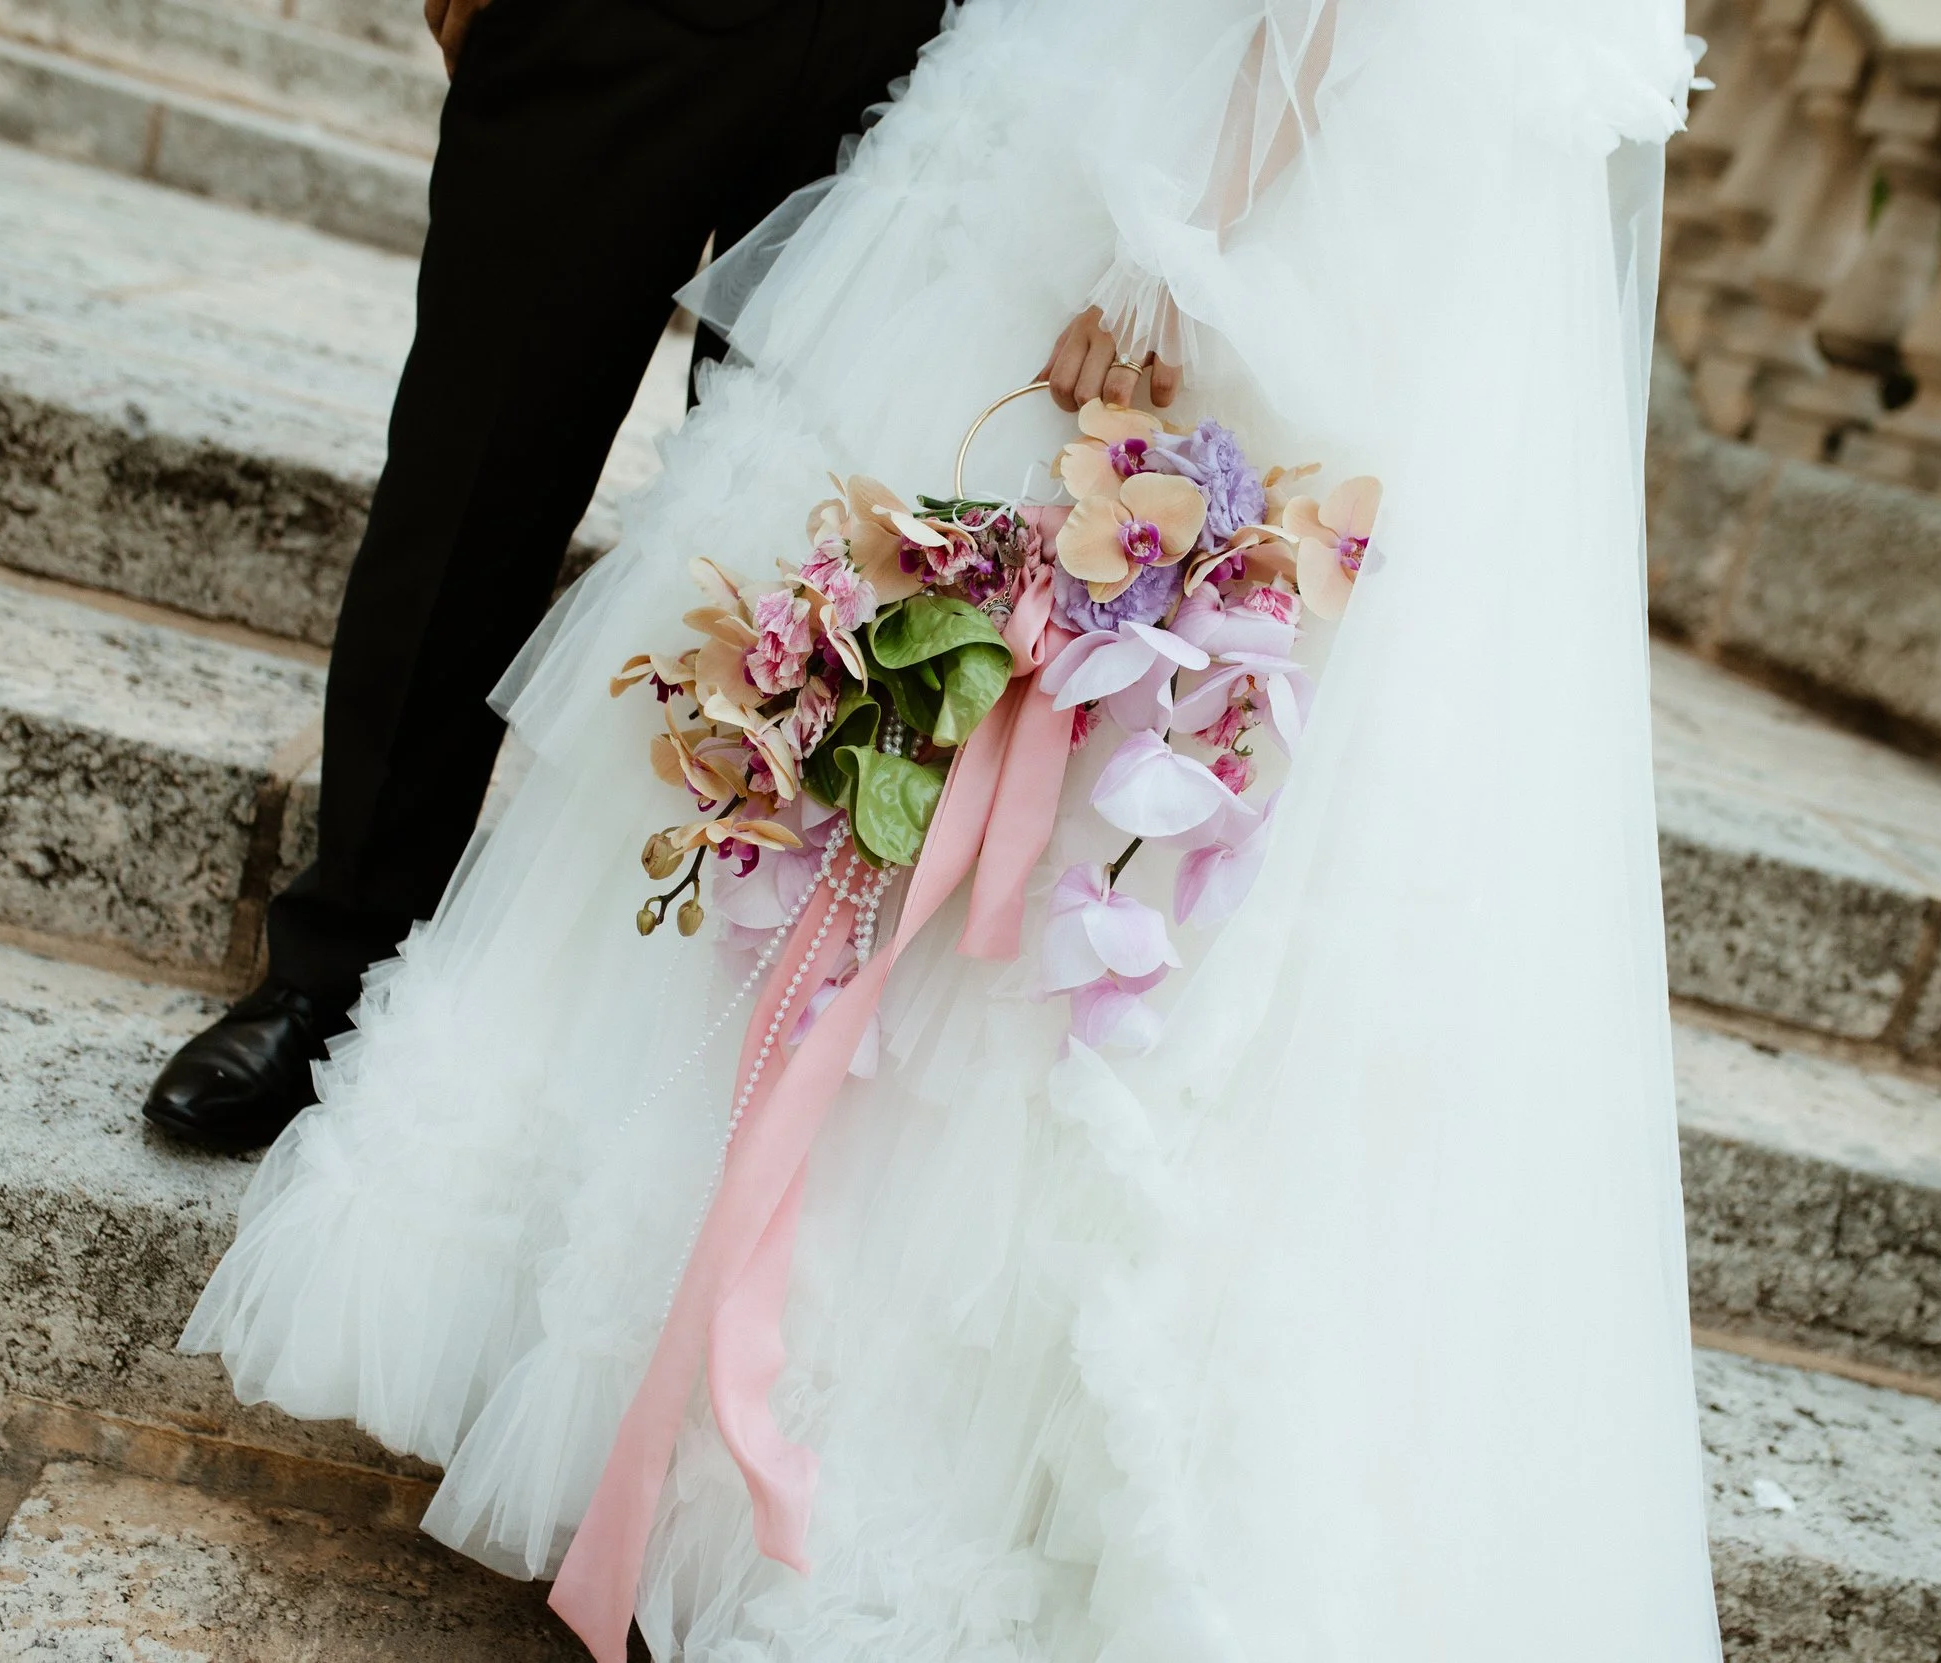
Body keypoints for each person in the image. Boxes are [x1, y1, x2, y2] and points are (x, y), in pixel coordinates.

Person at [184, 2, 1726, 1659]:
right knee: (568, 503)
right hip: (1017, 88)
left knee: (917, 632)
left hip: (1097, 105)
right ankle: (402, 1041)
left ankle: (746, 1383)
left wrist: (1181, 239)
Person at [141, 0, 953, 1152]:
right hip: (607, 29)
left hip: (903, 46)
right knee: (469, 478)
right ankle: (332, 969)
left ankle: (648, 1037)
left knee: (787, 557)